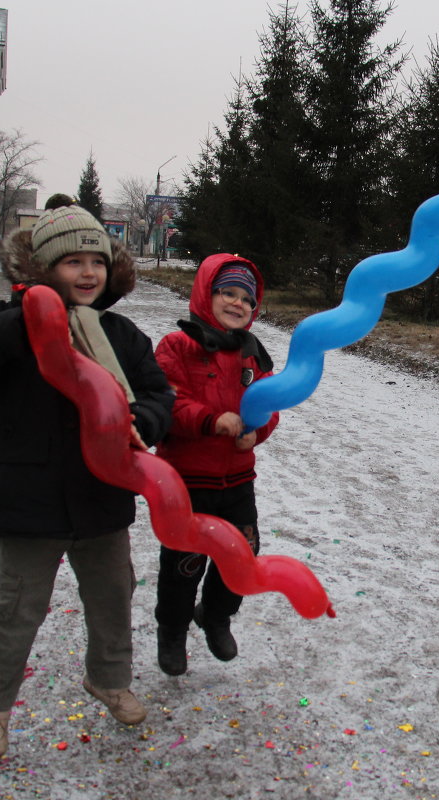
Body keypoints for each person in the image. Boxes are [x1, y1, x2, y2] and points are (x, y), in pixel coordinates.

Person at [0, 204, 175, 760]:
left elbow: (160, 394)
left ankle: (109, 678)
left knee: (112, 597)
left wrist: (143, 420)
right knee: (15, 609)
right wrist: (25, 319)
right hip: (31, 502)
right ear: (42, 269)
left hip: (103, 497)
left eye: (97, 261)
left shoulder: (120, 333)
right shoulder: (5, 325)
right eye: (72, 262)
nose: (88, 273)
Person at [153, 254, 278, 676]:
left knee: (242, 554)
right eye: (228, 292)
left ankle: (216, 615)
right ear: (207, 295)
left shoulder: (252, 353)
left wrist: (256, 430)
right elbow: (168, 402)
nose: (237, 303)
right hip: (187, 481)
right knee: (184, 562)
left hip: (238, 479)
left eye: (246, 298)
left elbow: (270, 404)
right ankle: (171, 629)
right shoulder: (177, 346)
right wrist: (211, 420)